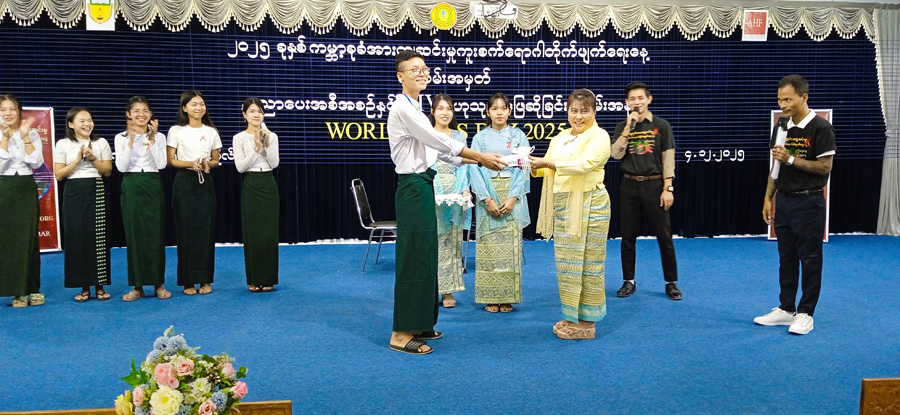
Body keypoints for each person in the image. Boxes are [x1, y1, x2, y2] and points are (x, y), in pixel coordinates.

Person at [387, 49, 505, 355]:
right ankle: (400, 333)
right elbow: (438, 141)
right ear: (400, 76)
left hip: (423, 185)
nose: (421, 73)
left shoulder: (417, 106)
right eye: (413, 70)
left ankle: (419, 322)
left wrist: (478, 161)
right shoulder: (402, 108)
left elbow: (439, 152)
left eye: (424, 68)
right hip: (413, 187)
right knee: (414, 257)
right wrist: (479, 156)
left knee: (427, 255)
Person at [755, 74, 835, 335]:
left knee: (810, 259)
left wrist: (790, 159)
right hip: (785, 200)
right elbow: (776, 166)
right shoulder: (780, 127)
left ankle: (806, 313)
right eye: (780, 100)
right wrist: (768, 197)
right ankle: (786, 309)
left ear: (804, 97)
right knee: (786, 257)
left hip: (810, 201)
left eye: (788, 99)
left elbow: (825, 167)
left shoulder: (821, 128)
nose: (783, 104)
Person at [530, 89, 611, 340]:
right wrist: (529, 165)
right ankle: (573, 315)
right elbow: (548, 167)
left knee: (588, 263)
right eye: (574, 111)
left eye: (584, 111)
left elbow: (585, 165)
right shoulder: (561, 137)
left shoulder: (599, 136)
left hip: (591, 203)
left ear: (594, 112)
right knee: (568, 265)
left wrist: (546, 163)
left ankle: (587, 323)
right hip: (564, 206)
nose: (578, 116)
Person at [610, 82, 681, 301]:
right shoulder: (623, 126)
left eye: (640, 98)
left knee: (664, 236)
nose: (636, 102)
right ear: (626, 102)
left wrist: (668, 188)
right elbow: (615, 154)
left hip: (654, 185)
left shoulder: (662, 126)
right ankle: (628, 281)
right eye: (632, 99)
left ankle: (671, 283)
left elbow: (668, 159)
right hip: (629, 185)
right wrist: (627, 129)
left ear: (649, 99)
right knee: (627, 236)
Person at [469, 92, 530, 313]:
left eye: (503, 108)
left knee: (511, 248)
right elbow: (473, 169)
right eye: (494, 108)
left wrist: (513, 197)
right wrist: (487, 199)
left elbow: (525, 168)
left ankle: (507, 297)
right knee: (489, 248)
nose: (499, 112)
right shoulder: (479, 138)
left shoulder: (519, 136)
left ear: (510, 111)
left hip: (512, 196)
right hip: (488, 197)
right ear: (488, 112)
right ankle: (490, 297)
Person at [55, 107, 113, 302]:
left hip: (96, 189)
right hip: (73, 191)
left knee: (98, 238)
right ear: (71, 124)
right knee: (77, 237)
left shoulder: (100, 142)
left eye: (89, 120)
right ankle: (84, 287)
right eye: (82, 121)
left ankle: (100, 285)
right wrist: (77, 160)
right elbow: (59, 174)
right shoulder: (63, 144)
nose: (87, 124)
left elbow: (107, 171)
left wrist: (93, 157)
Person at [167, 90, 222, 296]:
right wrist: (191, 163)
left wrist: (206, 163)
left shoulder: (211, 131)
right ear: (184, 108)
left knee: (206, 230)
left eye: (201, 104)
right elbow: (171, 161)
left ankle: (205, 279)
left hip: (205, 182)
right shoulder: (176, 130)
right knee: (185, 230)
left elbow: (216, 160)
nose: (199, 108)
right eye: (194, 104)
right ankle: (187, 281)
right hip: (184, 182)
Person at [116, 96, 171, 302]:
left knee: (155, 235)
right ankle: (137, 286)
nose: (141, 114)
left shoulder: (160, 136)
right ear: (128, 114)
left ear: (151, 114)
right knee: (134, 235)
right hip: (131, 184)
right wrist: (131, 141)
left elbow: (161, 164)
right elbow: (121, 167)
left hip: (152, 183)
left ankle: (158, 284)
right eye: (136, 110)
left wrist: (152, 139)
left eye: (145, 110)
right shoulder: (120, 137)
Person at [0, 94, 44, 308]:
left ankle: (33, 288)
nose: (8, 113)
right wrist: (5, 138)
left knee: (29, 239)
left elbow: (36, 162)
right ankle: (16, 291)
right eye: (3, 110)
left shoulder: (32, 133)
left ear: (19, 112)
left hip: (26, 187)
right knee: (8, 239)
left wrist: (25, 137)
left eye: (12, 109)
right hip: (4, 188)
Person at [427, 93, 470, 308]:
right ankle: (429, 289)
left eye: (449, 109)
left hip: (455, 194)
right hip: (431, 190)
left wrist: (464, 189)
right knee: (432, 242)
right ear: (433, 112)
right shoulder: (426, 134)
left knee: (452, 243)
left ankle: (448, 291)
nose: (445, 113)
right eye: (441, 109)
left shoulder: (459, 136)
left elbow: (464, 165)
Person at [233, 97, 280, 293]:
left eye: (260, 111)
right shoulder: (239, 138)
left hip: (268, 182)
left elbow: (274, 163)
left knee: (269, 233)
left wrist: (266, 145)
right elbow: (240, 167)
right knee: (252, 233)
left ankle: (268, 278)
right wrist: (256, 149)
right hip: (251, 183)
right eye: (252, 111)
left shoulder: (272, 136)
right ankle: (253, 278)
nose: (256, 115)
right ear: (244, 114)